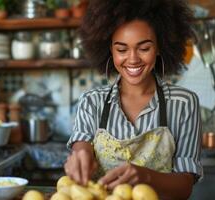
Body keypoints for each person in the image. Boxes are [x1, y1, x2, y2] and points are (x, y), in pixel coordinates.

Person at [64, 0, 202, 199]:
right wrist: (81, 156)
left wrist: (145, 176)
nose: (133, 59)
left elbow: (184, 188)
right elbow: (81, 147)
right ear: (109, 50)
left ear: (160, 47)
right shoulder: (91, 102)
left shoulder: (184, 103)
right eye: (121, 49)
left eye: (144, 48)